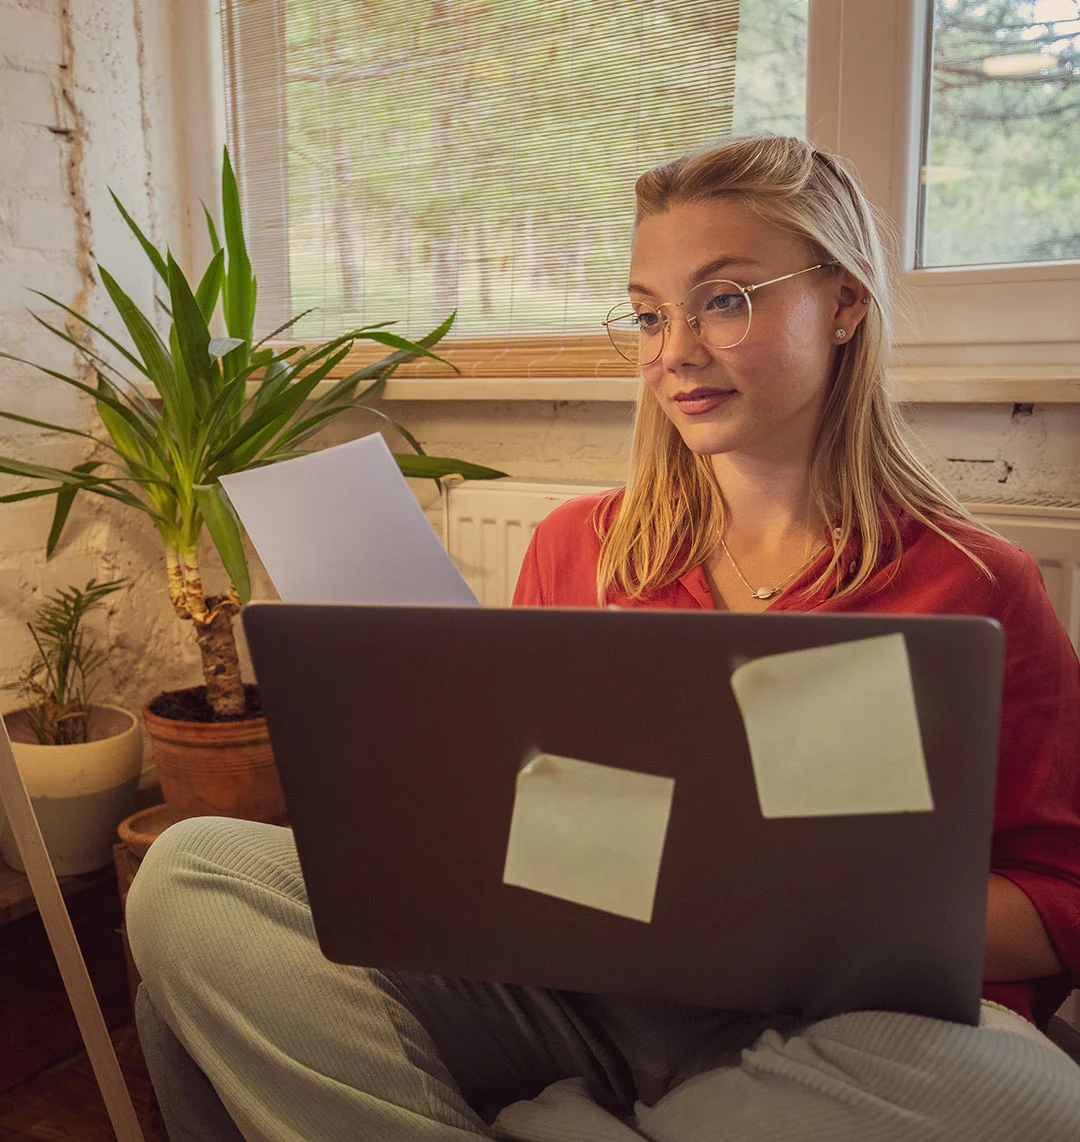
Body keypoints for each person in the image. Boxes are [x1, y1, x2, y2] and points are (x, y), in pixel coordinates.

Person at [127, 136, 1080, 1141]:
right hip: (578, 998)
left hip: (838, 1030)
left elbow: (1059, 902)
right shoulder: (581, 548)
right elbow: (528, 833)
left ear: (844, 303)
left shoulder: (971, 585)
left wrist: (793, 907)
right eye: (648, 311)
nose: (675, 350)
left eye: (726, 299)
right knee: (195, 876)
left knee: (1034, 1098)